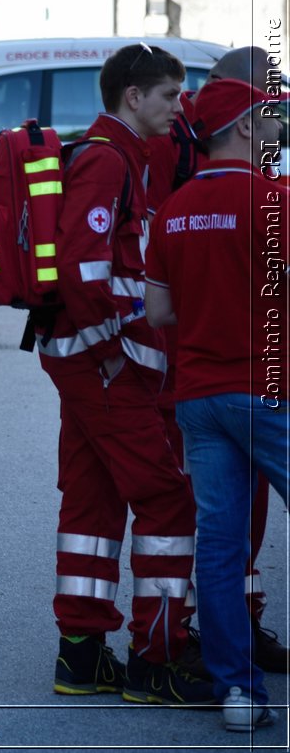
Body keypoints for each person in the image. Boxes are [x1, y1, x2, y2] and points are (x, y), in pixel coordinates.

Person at [40, 44, 208, 704]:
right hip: (102, 364)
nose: (179, 107)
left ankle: (80, 659)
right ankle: (156, 661)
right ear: (132, 96)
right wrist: (112, 351)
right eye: (170, 95)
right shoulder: (109, 159)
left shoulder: (117, 155)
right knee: (167, 499)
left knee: (93, 504)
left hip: (83, 361)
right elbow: (84, 267)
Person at [146, 76, 286, 732]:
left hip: (199, 398)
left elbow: (160, 310)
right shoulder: (274, 201)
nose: (280, 125)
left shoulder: (173, 211)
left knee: (221, 550)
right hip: (269, 392)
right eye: (273, 115)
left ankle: (239, 694)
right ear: (245, 127)